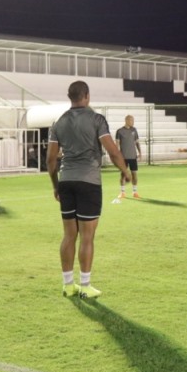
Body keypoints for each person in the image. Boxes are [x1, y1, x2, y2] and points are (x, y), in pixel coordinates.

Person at [47, 81, 132, 299]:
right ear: (86, 95)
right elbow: (112, 152)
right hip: (89, 182)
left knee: (68, 235)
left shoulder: (59, 122)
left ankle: (68, 285)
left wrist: (56, 185)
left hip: (66, 180)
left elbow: (50, 159)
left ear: (70, 96)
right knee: (87, 236)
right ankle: (85, 285)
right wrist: (125, 171)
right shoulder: (96, 119)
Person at [115, 115, 143, 198]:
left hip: (133, 156)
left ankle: (135, 192)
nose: (133, 122)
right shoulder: (119, 131)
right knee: (123, 175)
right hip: (123, 157)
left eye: (133, 120)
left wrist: (140, 153)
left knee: (134, 174)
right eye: (131, 120)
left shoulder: (134, 130)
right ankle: (122, 192)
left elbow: (137, 142)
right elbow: (117, 144)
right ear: (126, 120)